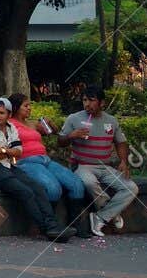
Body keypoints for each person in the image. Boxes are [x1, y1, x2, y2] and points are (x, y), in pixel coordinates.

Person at [0, 98, 75, 242]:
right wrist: (9, 151)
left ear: (9, 115)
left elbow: (19, 152)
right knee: (25, 191)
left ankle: (53, 225)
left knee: (37, 187)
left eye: (1, 113)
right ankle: (47, 230)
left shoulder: (11, 128)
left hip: (7, 166)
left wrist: (5, 150)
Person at [60, 85, 139, 236]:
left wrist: (123, 161)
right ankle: (112, 213)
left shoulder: (111, 121)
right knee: (89, 182)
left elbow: (120, 142)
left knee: (131, 187)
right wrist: (72, 136)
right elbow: (60, 141)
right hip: (82, 166)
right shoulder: (74, 118)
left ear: (102, 103)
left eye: (92, 100)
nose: (87, 104)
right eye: (84, 100)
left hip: (105, 167)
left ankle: (100, 216)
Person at [8, 93, 90, 234]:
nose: (29, 108)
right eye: (25, 106)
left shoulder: (33, 123)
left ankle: (75, 223)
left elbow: (54, 133)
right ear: (15, 107)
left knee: (76, 184)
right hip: (27, 162)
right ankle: (50, 225)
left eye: (30, 105)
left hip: (45, 159)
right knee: (53, 188)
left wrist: (50, 125)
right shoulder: (8, 124)